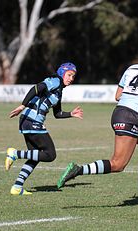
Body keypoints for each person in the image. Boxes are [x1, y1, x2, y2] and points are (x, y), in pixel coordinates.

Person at [57, 39, 138, 204]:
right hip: (129, 117)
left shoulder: (132, 68)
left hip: (119, 113)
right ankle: (78, 170)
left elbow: (118, 96)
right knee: (118, 164)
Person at [5, 62, 83, 196]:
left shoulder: (59, 92)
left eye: (73, 76)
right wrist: (22, 105)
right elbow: (37, 88)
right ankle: (15, 154)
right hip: (32, 120)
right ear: (62, 73)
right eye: (69, 75)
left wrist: (71, 114)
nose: (71, 78)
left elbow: (57, 114)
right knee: (50, 154)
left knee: (35, 156)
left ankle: (17, 187)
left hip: (28, 121)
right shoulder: (55, 81)